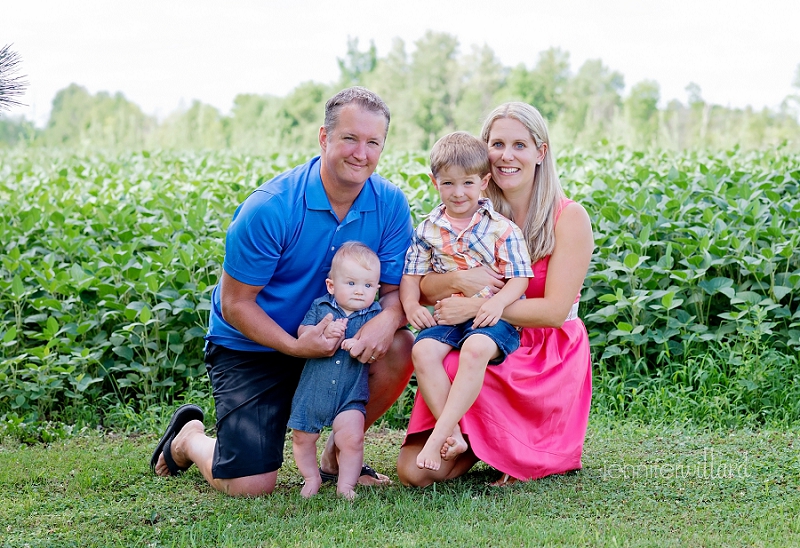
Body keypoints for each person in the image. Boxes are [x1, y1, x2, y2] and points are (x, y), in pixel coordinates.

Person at [150, 87, 414, 497]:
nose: (361, 153)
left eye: (373, 142)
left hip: (336, 346)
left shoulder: (391, 205)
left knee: (401, 346)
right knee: (249, 486)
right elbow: (235, 303)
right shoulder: (271, 207)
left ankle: (336, 458)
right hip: (254, 346)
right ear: (324, 138)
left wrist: (389, 319)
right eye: (349, 138)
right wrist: (295, 347)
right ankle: (189, 439)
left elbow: (396, 294)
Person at [396, 102, 594, 487]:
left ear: (541, 152)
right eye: (497, 143)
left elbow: (554, 312)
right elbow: (423, 288)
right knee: (413, 473)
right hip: (479, 336)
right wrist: (460, 276)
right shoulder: (468, 209)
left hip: (542, 352)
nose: (506, 155)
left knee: (469, 356)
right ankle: (464, 438)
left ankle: (508, 445)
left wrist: (475, 304)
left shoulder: (569, 218)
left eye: (520, 145)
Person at [399, 131, 533, 473]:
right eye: (448, 184)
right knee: (422, 351)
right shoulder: (428, 229)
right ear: (434, 183)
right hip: (449, 318)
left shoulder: (501, 229)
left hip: (492, 319)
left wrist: (499, 303)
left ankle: (437, 436)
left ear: (484, 182)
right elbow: (411, 276)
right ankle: (455, 434)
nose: (458, 193)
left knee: (475, 348)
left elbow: (519, 277)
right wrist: (413, 306)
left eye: (468, 183)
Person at [289, 242, 382, 500]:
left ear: (376, 288)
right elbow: (303, 333)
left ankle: (346, 485)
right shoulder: (321, 308)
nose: (359, 291)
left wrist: (360, 342)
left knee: (352, 440)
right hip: (313, 391)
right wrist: (320, 332)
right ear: (332, 286)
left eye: (367, 285)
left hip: (350, 394)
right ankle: (311, 477)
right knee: (303, 438)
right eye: (351, 283)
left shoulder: (374, 314)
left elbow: (377, 341)